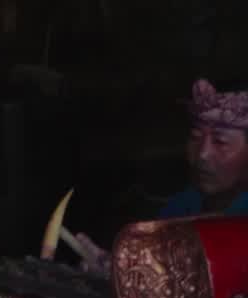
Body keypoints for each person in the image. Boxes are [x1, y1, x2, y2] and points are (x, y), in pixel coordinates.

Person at [75, 77, 248, 274]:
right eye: (195, 137)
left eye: (220, 142)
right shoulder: (179, 208)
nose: (202, 154)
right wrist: (116, 272)